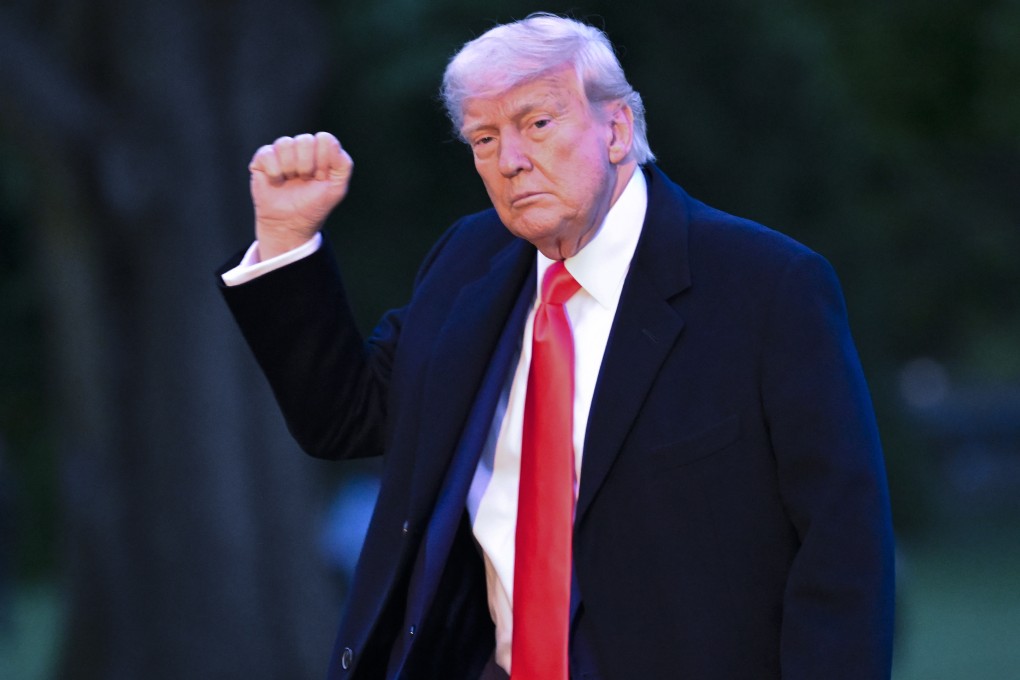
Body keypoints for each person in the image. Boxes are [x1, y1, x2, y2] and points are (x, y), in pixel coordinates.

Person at [218, 13, 895, 680]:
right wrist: (286, 241)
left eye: (536, 124)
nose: (510, 161)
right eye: (484, 139)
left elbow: (843, 549)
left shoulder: (765, 286)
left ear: (617, 129)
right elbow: (347, 417)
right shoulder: (465, 264)